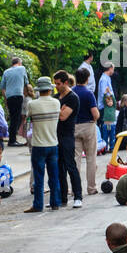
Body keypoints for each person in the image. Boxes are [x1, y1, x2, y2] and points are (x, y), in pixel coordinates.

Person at [25, 77, 62, 213]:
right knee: (54, 175)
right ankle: (55, 202)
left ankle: (38, 204)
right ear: (50, 89)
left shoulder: (32, 105)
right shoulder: (56, 103)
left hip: (38, 145)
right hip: (53, 143)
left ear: (38, 90)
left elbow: (29, 118)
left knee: (39, 177)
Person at [54, 71, 84, 209]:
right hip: (55, 135)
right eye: (55, 83)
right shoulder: (56, 97)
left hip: (67, 135)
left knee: (70, 166)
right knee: (59, 168)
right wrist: (59, 110)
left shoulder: (72, 98)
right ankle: (62, 197)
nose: (56, 86)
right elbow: (57, 113)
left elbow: (63, 117)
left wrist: (57, 111)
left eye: (58, 83)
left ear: (66, 82)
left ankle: (78, 195)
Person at [72, 67, 102, 195]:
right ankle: (91, 188)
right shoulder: (88, 93)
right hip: (88, 126)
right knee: (91, 158)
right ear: (87, 78)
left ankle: (75, 189)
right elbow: (95, 114)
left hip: (73, 127)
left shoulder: (71, 92)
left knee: (76, 159)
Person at [1, 58, 29, 147]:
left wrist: (6, 100)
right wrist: (24, 95)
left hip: (9, 97)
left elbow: (2, 87)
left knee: (13, 117)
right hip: (18, 95)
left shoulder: (6, 72)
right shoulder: (22, 68)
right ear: (19, 63)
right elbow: (26, 83)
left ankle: (12, 138)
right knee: (16, 118)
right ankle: (12, 140)